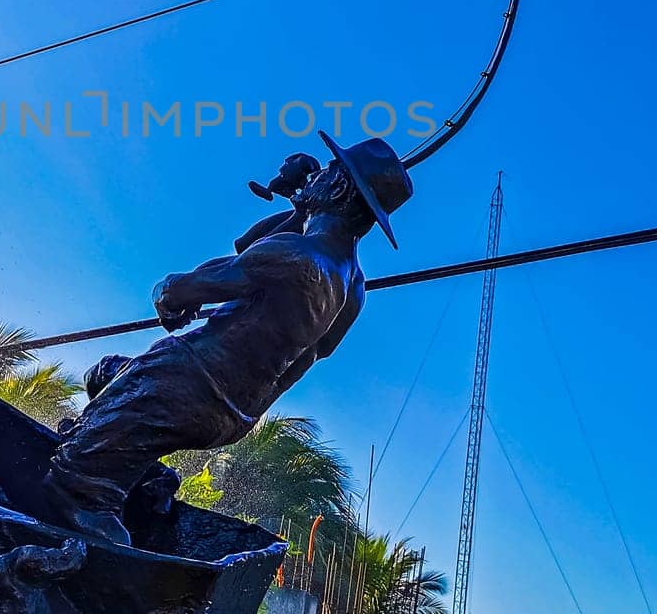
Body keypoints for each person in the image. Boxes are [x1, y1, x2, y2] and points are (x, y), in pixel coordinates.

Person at [42, 132, 413, 545]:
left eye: (328, 170)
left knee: (74, 486)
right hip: (234, 416)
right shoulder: (353, 290)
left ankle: (102, 520)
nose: (317, 173)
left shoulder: (297, 257)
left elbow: (179, 290)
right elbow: (258, 264)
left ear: (341, 187)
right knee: (105, 375)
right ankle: (143, 474)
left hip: (182, 381)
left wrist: (167, 294)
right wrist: (300, 209)